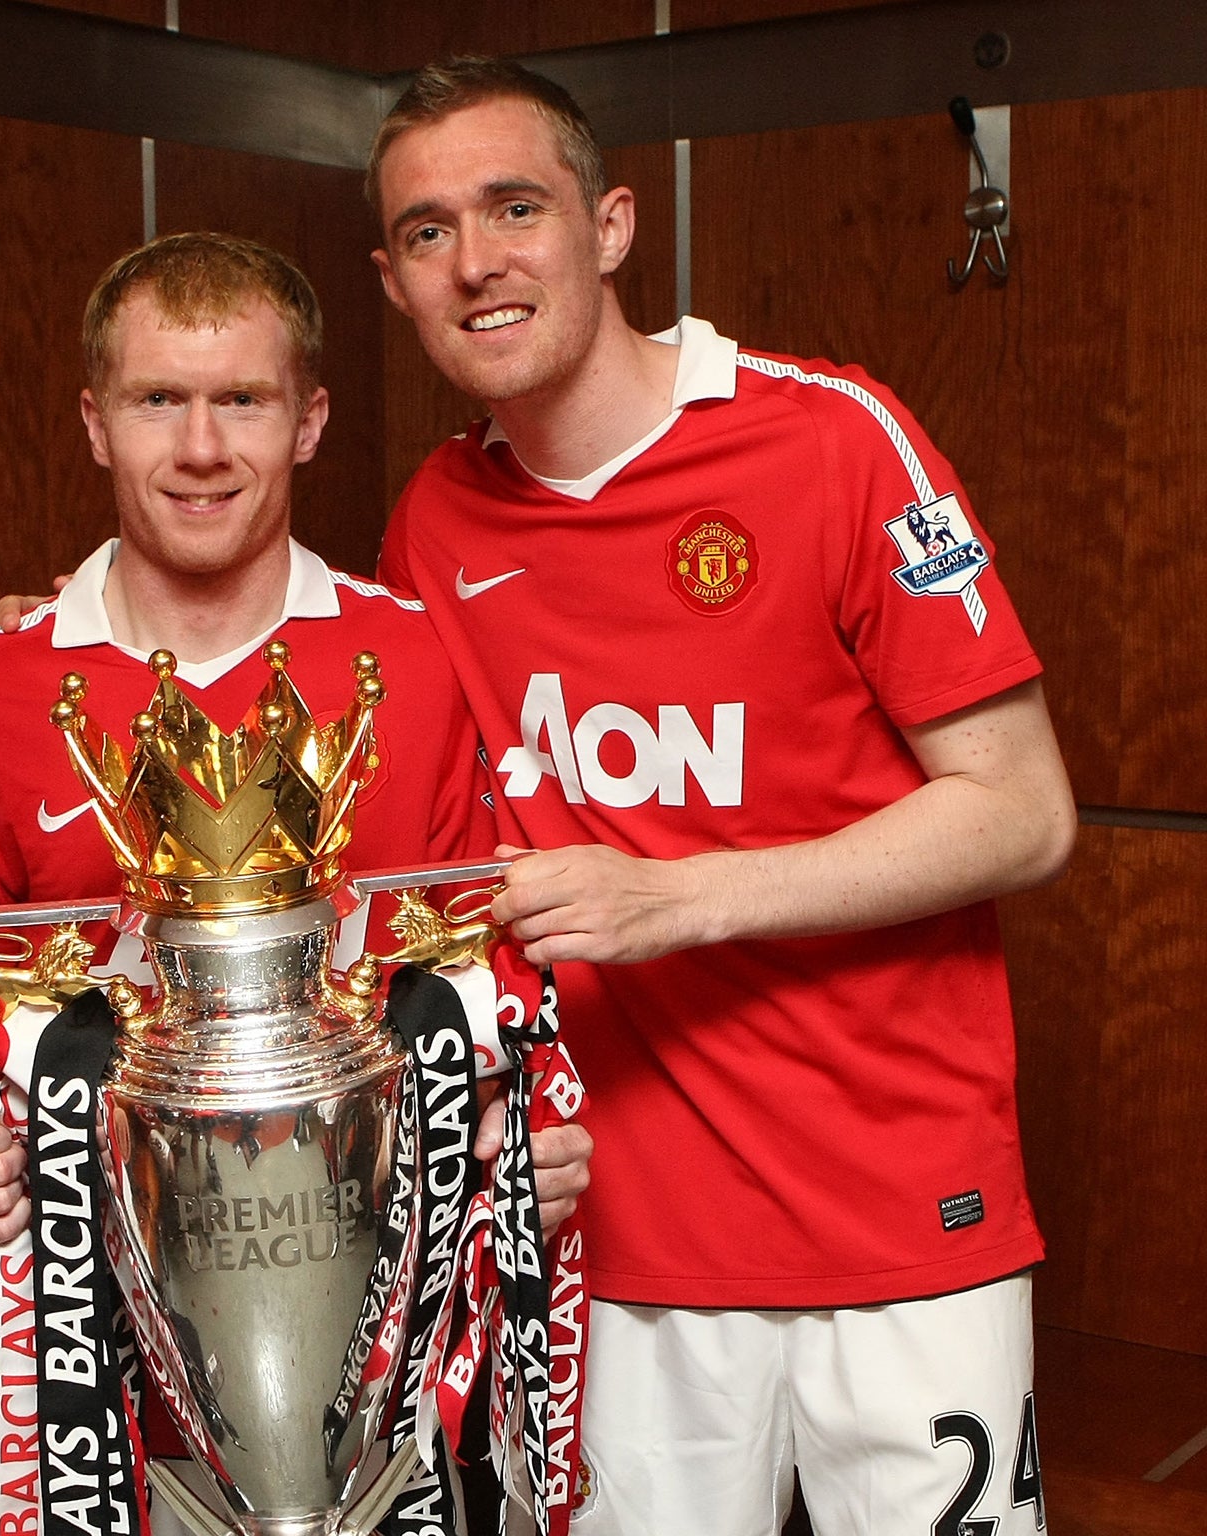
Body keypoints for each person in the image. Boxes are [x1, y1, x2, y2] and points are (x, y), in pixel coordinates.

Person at [365, 56, 1077, 1536]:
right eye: (430, 231)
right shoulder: (433, 522)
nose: (478, 261)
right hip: (621, 1244)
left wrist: (674, 897)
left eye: (515, 208)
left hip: (899, 1214)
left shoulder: (827, 438)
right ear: (392, 280)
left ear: (612, 226)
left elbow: (1024, 810)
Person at [0, 230, 590, 1249]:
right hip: (95, 1295)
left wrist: (512, 1138)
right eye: (156, 400)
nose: (201, 449)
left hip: (373, 1270)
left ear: (308, 422)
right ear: (96, 424)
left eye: (243, 401)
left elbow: (478, 982)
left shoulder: (419, 664)